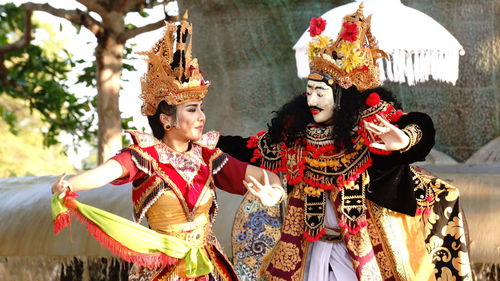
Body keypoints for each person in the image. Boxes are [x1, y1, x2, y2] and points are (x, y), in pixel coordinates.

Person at [218, 5, 471, 281]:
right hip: (309, 250)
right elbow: (249, 149)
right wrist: (205, 142)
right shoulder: (295, 134)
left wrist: (404, 140)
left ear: (341, 97)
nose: (311, 100)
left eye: (320, 92)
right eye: (309, 91)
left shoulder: (368, 130)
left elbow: (420, 125)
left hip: (364, 251)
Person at [50, 13, 284, 281]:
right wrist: (69, 185)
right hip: (161, 269)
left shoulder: (209, 156)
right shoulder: (144, 156)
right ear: (166, 119)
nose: (202, 117)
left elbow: (269, 179)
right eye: (192, 110)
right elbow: (105, 173)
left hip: (208, 268)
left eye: (201, 109)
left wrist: (273, 195)